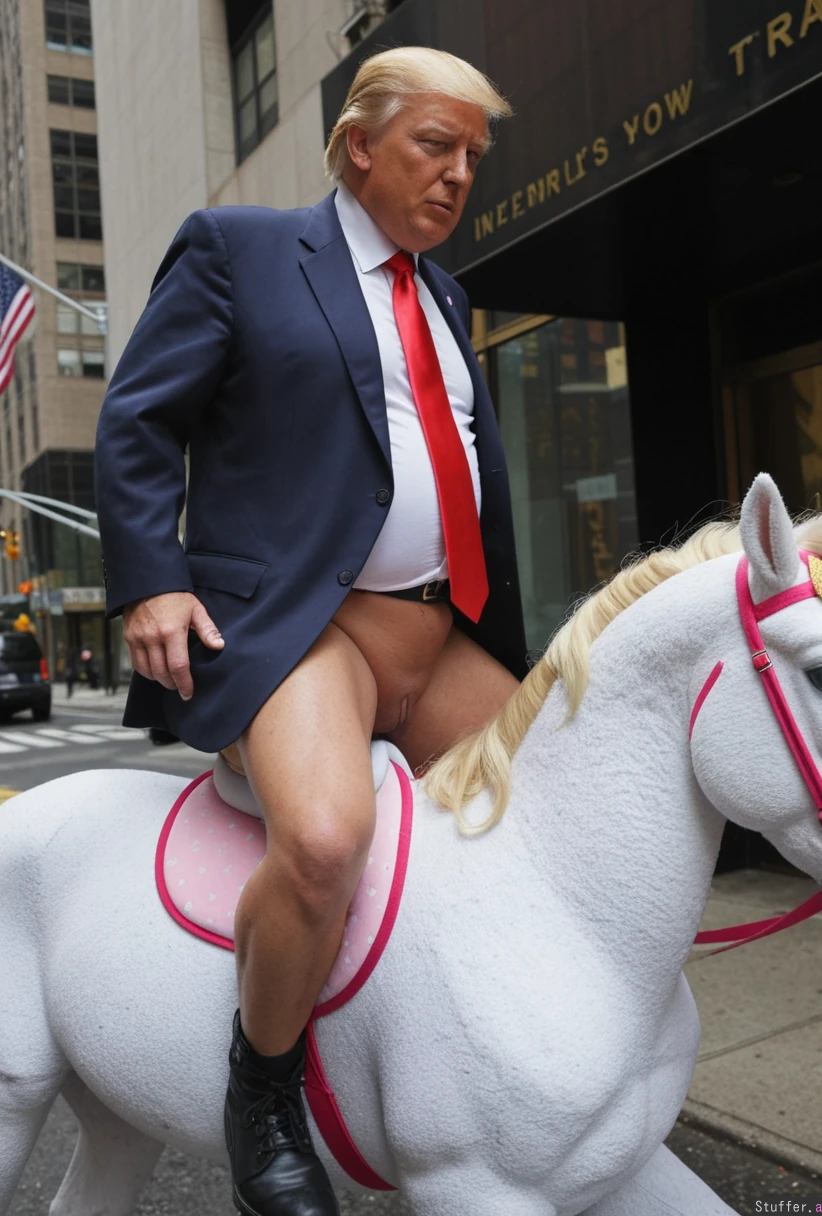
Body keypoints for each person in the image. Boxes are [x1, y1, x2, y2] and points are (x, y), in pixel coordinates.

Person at [95, 46, 527, 1216]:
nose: (458, 174)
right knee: (328, 840)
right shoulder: (238, 249)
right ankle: (264, 1088)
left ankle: (475, 1050)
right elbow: (138, 420)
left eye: (473, 156)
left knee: (559, 803)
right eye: (435, 145)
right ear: (359, 146)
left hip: (438, 630)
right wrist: (149, 584)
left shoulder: (446, 297)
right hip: (301, 630)